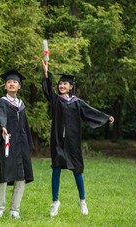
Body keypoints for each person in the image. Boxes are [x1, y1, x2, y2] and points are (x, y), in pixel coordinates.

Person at [41, 60, 114, 217]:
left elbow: (91, 112)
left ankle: (82, 201)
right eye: (60, 84)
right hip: (58, 141)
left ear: (71, 86)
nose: (62, 86)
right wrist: (47, 74)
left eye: (65, 84)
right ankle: (55, 203)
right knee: (56, 169)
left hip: (73, 142)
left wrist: (106, 117)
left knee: (77, 171)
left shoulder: (77, 102)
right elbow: (47, 90)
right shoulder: (56, 100)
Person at [0, 69, 34, 219]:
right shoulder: (1, 103)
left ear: (19, 87)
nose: (11, 84)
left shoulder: (21, 105)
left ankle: (15, 209)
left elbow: (25, 125)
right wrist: (3, 127)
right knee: (4, 174)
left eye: (14, 82)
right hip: (7, 143)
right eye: (9, 82)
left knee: (21, 176)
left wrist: (29, 144)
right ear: (5, 86)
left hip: (21, 145)